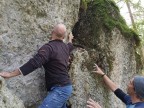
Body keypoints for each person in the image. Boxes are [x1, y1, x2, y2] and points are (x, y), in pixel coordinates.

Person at [0, 23, 74, 108]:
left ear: (52, 32)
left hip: (60, 89)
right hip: (66, 87)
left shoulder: (48, 48)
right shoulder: (65, 47)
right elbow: (70, 46)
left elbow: (33, 64)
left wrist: (10, 74)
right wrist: (70, 39)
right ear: (64, 36)